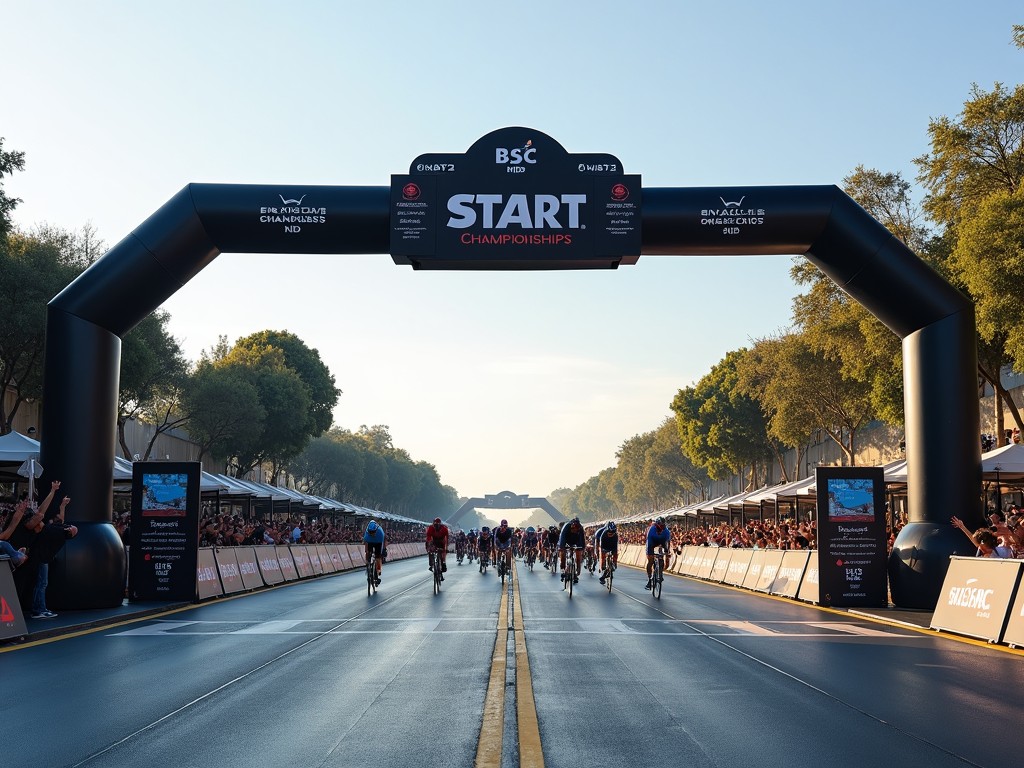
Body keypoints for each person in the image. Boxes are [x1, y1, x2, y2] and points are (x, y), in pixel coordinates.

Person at [645, 516, 672, 589]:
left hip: (662, 541)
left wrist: (667, 552)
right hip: (652, 541)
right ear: (656, 525)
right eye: (660, 525)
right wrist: (649, 554)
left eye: (663, 525)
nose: (662, 527)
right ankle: (650, 579)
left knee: (661, 556)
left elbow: (668, 542)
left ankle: (660, 573)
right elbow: (649, 543)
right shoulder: (652, 529)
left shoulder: (666, 531)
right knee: (650, 560)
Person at [558, 517, 586, 584]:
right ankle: (563, 569)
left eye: (576, 529)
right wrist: (562, 548)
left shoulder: (580, 528)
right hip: (566, 540)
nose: (575, 530)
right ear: (571, 526)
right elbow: (562, 539)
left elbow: (582, 539)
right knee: (563, 554)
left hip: (576, 541)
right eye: (573, 529)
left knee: (578, 556)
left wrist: (583, 548)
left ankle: (576, 573)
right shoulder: (566, 527)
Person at [363, 520, 385, 585]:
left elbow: (382, 545)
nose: (371, 533)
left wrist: (382, 552)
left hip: (378, 542)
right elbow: (366, 545)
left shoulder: (380, 533)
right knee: (368, 552)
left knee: (378, 557)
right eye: (370, 532)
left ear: (376, 530)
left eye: (373, 532)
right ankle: (368, 565)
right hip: (370, 541)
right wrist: (367, 556)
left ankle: (378, 569)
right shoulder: (367, 533)